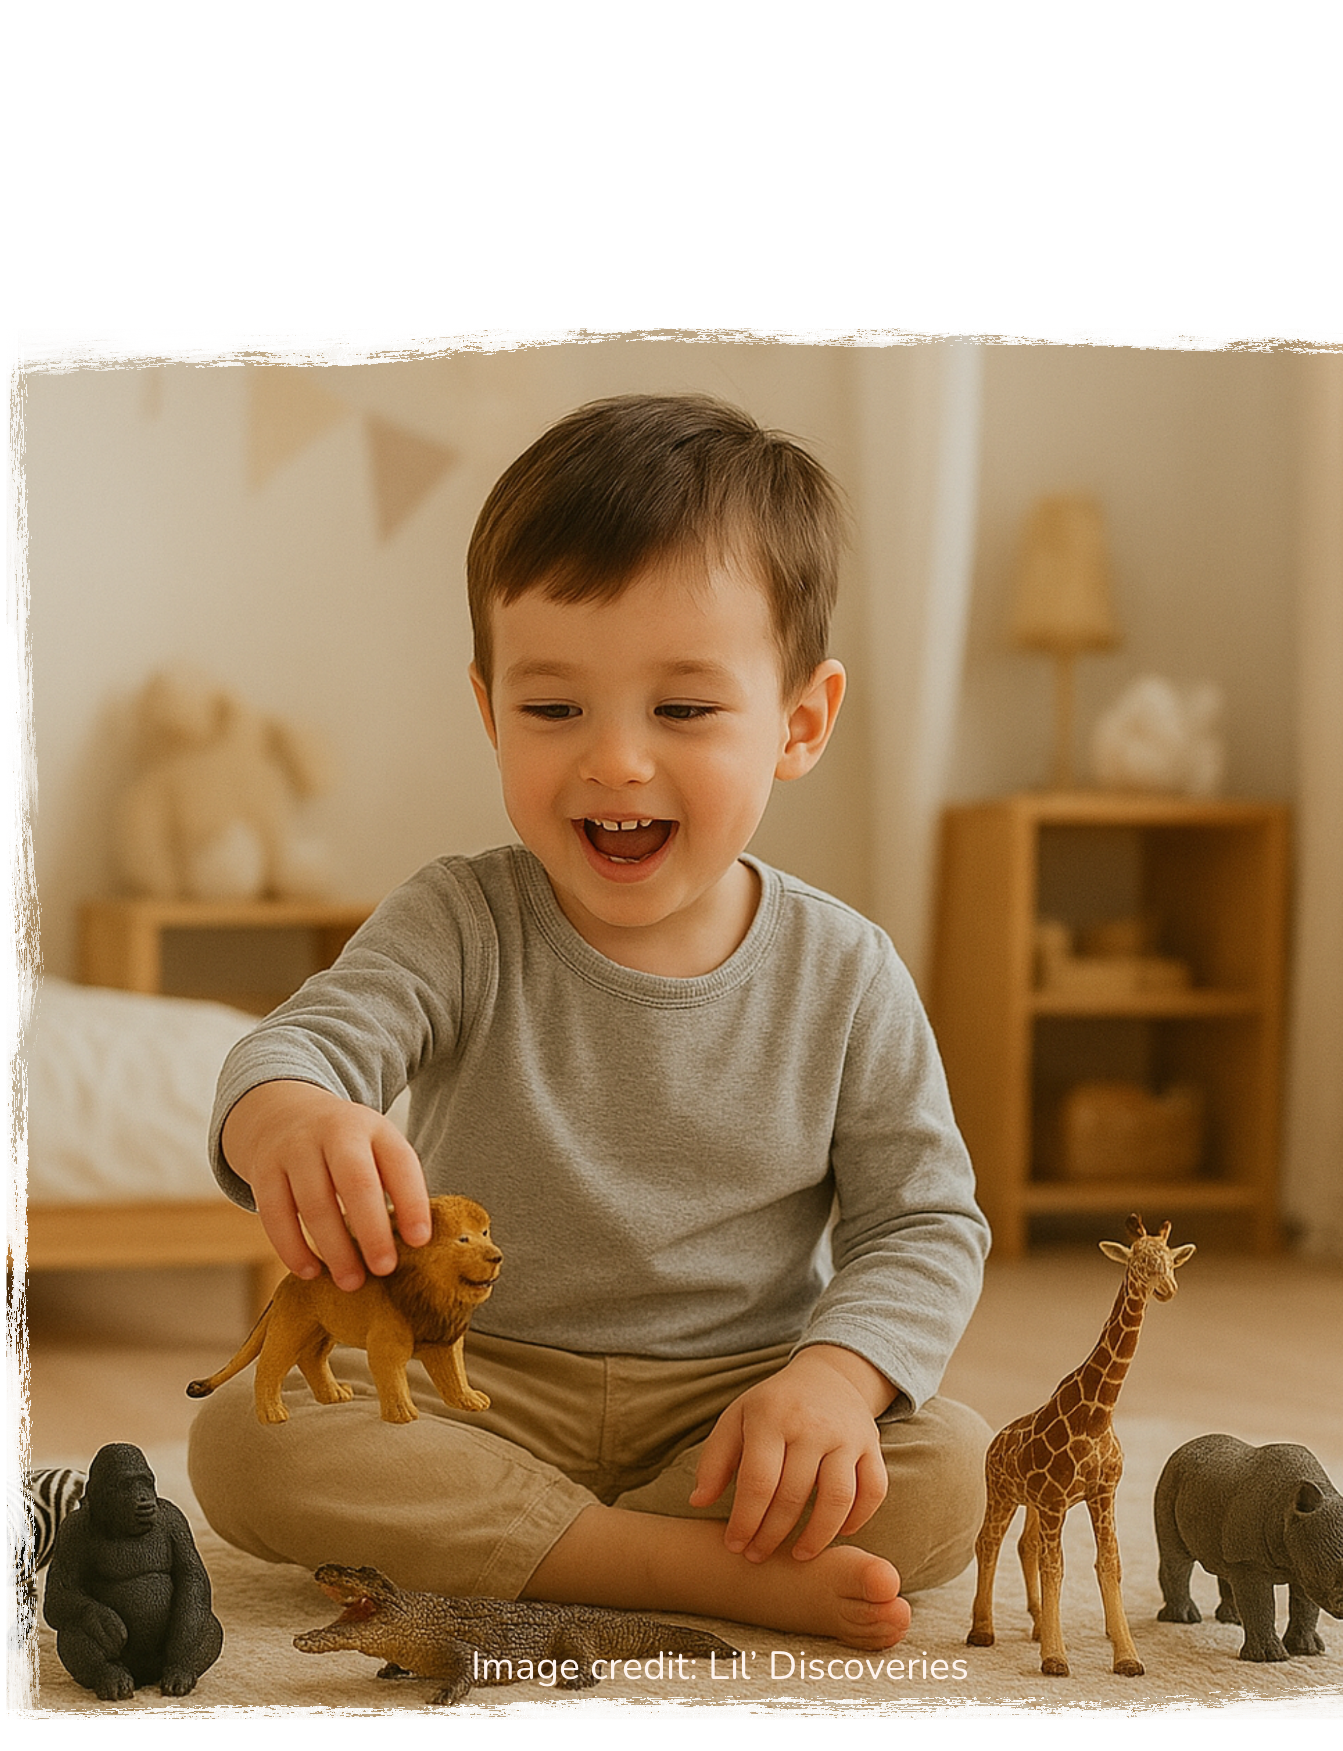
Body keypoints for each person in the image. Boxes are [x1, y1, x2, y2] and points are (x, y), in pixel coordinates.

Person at [190, 393, 990, 1650]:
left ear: (800, 719)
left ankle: (547, 1544)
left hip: (734, 1403)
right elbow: (299, 1046)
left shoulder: (847, 970)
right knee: (245, 1440)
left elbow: (925, 1222)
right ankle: (674, 1566)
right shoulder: (458, 917)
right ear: (488, 705)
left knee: (948, 1464)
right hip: (477, 1377)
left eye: (681, 710)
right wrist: (287, 1114)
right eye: (555, 709)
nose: (614, 761)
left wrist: (832, 1382)